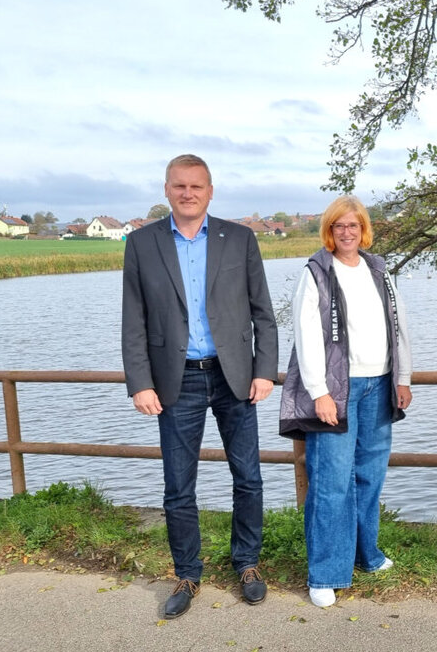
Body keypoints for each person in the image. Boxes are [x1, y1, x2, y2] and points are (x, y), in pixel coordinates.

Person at [122, 153, 278, 618]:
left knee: (248, 477)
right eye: (178, 186)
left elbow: (262, 313)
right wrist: (140, 383)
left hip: (235, 376)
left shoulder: (240, 239)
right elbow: (134, 322)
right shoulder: (141, 243)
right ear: (166, 190)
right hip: (176, 380)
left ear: (210, 191)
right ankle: (187, 574)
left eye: (196, 186)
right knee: (178, 486)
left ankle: (247, 563)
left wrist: (264, 370)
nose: (187, 193)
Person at [279, 195, 412, 608]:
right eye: (339, 226)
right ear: (329, 231)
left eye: (353, 226)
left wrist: (402, 377)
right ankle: (324, 573)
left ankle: (365, 555)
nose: (347, 233)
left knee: (370, 475)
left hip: (379, 383)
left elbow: (398, 325)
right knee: (331, 482)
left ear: (363, 229)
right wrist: (319, 391)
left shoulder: (378, 269)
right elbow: (305, 335)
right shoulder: (316, 271)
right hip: (337, 390)